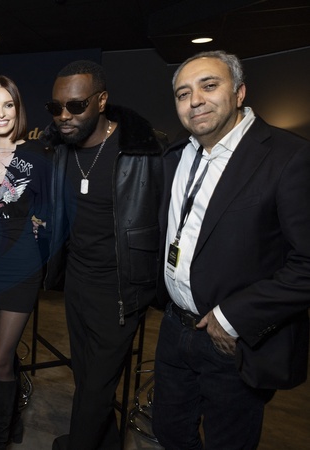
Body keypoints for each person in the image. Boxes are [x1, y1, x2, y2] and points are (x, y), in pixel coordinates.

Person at [152, 50, 310, 450]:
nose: (195, 100)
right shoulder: (176, 156)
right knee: (170, 433)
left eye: (209, 86)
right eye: (183, 93)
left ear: (239, 93)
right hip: (174, 329)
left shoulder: (288, 157)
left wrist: (232, 317)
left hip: (231, 341)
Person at [42, 60, 165, 450]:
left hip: (120, 288)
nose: (64, 115)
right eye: (56, 107)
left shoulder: (142, 151)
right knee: (87, 377)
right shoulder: (59, 149)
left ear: (101, 100)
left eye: (76, 105)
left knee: (96, 388)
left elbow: (165, 220)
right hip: (77, 281)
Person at [0, 75, 51, 449]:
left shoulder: (36, 155)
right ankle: (14, 419)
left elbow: (53, 209)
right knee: (5, 357)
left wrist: (41, 226)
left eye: (8, 105)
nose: (0, 113)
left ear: (17, 110)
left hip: (20, 268)